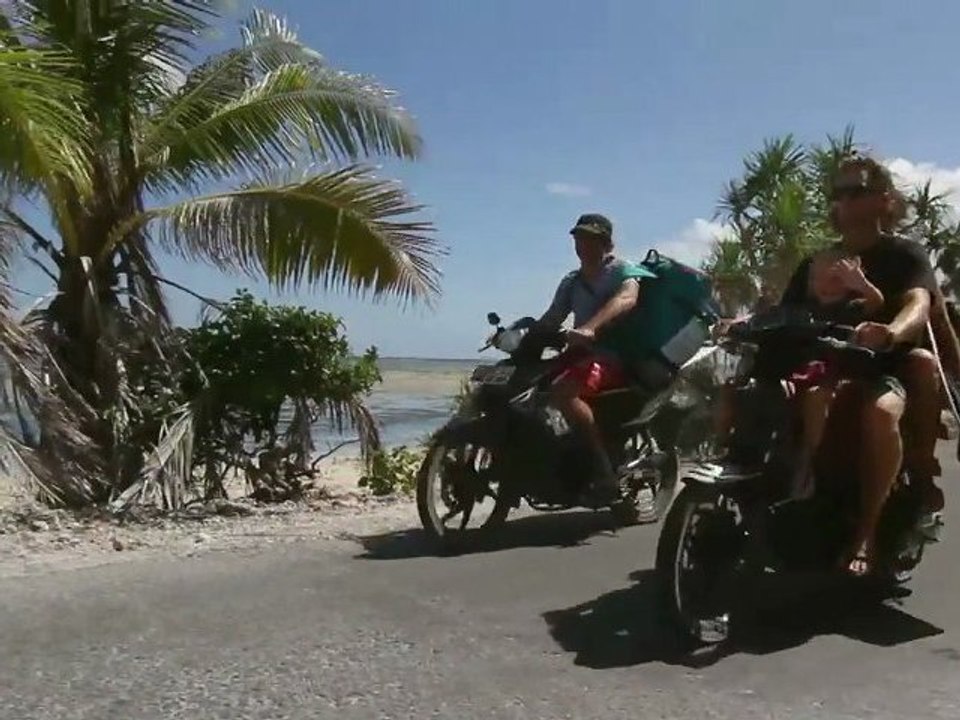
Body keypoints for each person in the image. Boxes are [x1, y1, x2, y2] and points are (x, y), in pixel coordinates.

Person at [781, 155, 938, 576]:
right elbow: (786, 313)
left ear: (883, 200)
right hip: (826, 365)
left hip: (883, 368)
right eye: (838, 193)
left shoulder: (904, 254)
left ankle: (866, 534)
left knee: (880, 414)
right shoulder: (818, 262)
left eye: (856, 192)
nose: (844, 202)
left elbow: (919, 304)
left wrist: (890, 332)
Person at [538, 213, 656, 504]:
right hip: (578, 357)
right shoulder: (571, 281)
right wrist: (527, 334)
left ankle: (602, 467)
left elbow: (626, 299)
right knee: (530, 388)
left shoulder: (624, 271)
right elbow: (553, 317)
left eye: (590, 238)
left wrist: (591, 327)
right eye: (579, 238)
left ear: (606, 243)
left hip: (614, 356)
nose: (582, 245)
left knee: (564, 393)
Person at [788, 247, 885, 500]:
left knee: (816, 397)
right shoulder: (803, 309)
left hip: (836, 374)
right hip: (800, 370)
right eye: (814, 278)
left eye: (831, 278)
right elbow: (770, 317)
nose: (821, 284)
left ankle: (810, 462)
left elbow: (876, 302)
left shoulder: (851, 306)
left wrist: (862, 285)